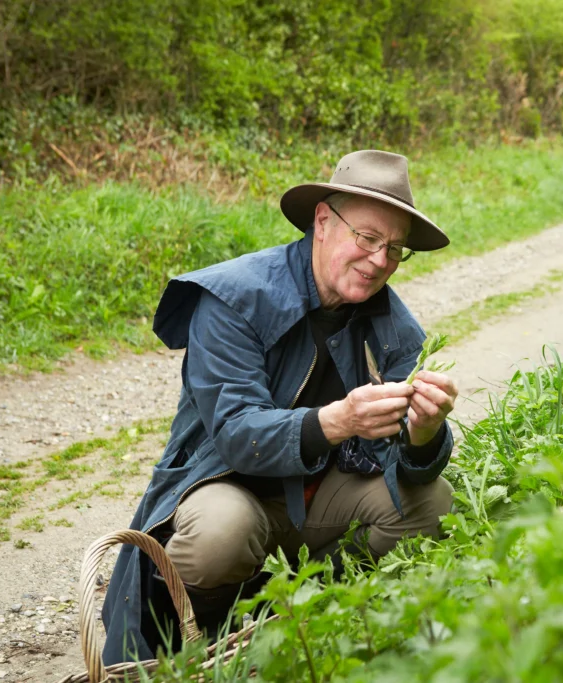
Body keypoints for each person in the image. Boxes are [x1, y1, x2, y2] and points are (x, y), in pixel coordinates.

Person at [101, 150, 458, 665]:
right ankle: (196, 646)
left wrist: (425, 433)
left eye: (395, 248)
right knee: (221, 535)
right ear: (322, 222)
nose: (380, 260)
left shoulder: (394, 327)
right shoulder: (234, 297)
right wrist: (339, 420)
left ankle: (310, 616)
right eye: (367, 238)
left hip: (312, 504)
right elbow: (236, 431)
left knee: (433, 504)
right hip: (224, 483)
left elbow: (405, 466)